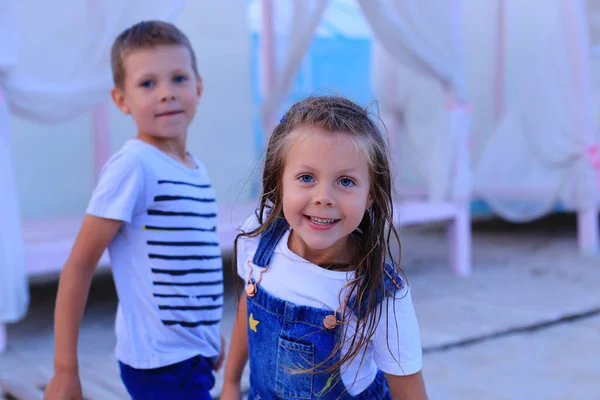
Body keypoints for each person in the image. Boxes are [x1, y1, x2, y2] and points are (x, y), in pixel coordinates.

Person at [44, 20, 224, 400]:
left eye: (178, 78)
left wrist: (209, 333)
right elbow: (79, 263)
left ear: (199, 87)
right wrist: (65, 370)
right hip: (160, 364)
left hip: (193, 353)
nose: (166, 93)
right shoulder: (134, 167)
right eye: (147, 83)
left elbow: (195, 262)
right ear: (121, 99)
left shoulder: (196, 168)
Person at [221, 95, 428, 399]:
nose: (324, 197)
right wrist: (229, 384)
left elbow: (410, 393)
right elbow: (247, 309)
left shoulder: (382, 295)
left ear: (370, 194)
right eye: (306, 177)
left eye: (345, 181)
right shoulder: (258, 236)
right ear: (281, 182)